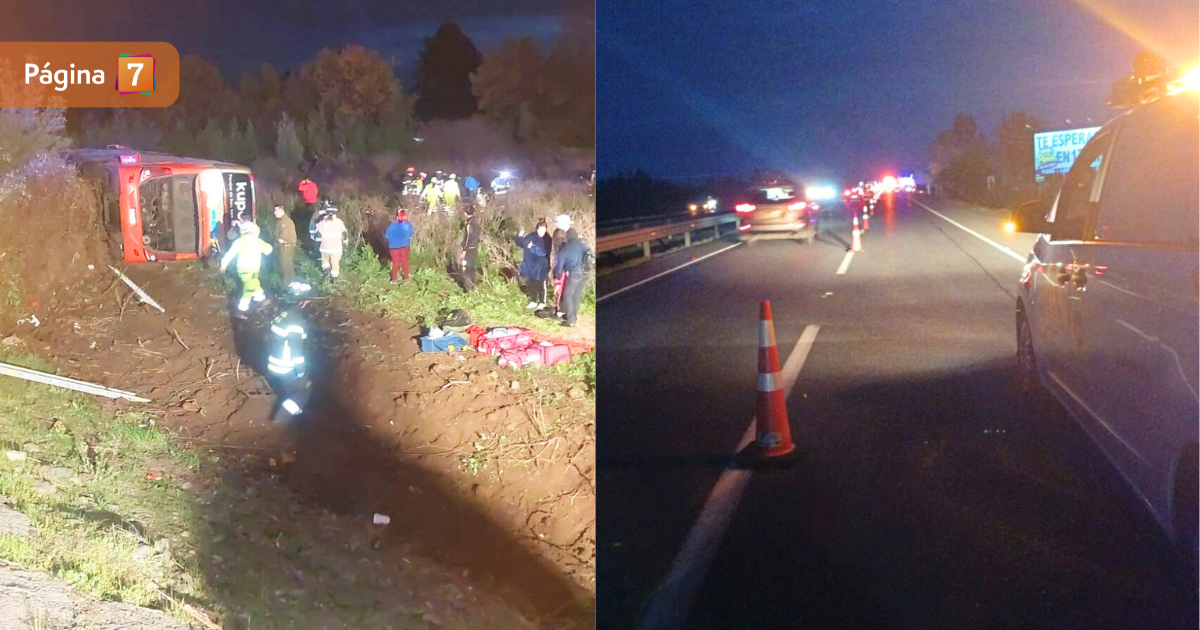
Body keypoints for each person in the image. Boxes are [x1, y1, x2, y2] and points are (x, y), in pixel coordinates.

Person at [266, 282, 313, 424]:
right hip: (285, 365)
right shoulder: (296, 322)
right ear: (303, 302)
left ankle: (289, 411)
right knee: (304, 390)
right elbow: (296, 349)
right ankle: (280, 420)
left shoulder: (282, 314)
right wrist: (301, 370)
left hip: (273, 361)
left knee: (291, 388)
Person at [220, 222, 274, 315]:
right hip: (253, 268)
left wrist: (224, 264)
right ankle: (242, 309)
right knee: (248, 287)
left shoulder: (239, 242)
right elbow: (268, 249)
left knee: (253, 283)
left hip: (243, 269)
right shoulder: (256, 241)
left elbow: (230, 254)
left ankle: (260, 300)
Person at [553, 229, 591, 328]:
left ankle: (571, 320)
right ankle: (574, 316)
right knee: (576, 295)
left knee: (567, 295)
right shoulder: (581, 244)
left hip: (575, 273)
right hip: (585, 273)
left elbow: (559, 268)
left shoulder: (564, 249)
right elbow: (589, 254)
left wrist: (557, 276)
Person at [515, 219, 550, 309]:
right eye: (540, 230)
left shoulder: (547, 239)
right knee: (531, 283)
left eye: (544, 230)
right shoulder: (532, 236)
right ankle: (533, 300)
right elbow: (522, 243)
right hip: (530, 264)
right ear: (537, 229)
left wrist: (533, 247)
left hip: (541, 266)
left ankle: (542, 302)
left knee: (541, 284)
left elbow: (544, 252)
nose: (542, 232)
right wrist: (519, 237)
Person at [315, 207, 348, 280]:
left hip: (325, 247)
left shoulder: (322, 222)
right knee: (335, 263)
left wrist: (316, 243)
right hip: (336, 248)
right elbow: (344, 234)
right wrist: (345, 242)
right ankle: (334, 279)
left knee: (324, 260)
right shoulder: (339, 222)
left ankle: (327, 271)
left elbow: (318, 236)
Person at [385, 209, 414, 283]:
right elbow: (410, 234)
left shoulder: (393, 225)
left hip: (394, 247)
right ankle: (406, 278)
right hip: (405, 246)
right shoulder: (408, 225)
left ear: (397, 216)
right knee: (405, 262)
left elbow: (387, 236)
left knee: (395, 263)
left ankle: (394, 279)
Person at [273, 205, 298, 287]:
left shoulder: (284, 222)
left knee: (285, 266)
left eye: (276, 211)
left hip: (285, 247)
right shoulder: (282, 221)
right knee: (287, 265)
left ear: (281, 211)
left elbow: (284, 235)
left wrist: (280, 240)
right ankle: (290, 283)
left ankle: (287, 285)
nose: (274, 213)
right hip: (285, 246)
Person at [459, 205, 482, 291]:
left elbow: (469, 238)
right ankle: (473, 286)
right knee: (471, 268)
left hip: (468, 250)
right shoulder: (476, 222)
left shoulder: (469, 224)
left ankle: (468, 289)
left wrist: (464, 250)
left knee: (465, 268)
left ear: (465, 213)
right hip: (474, 248)